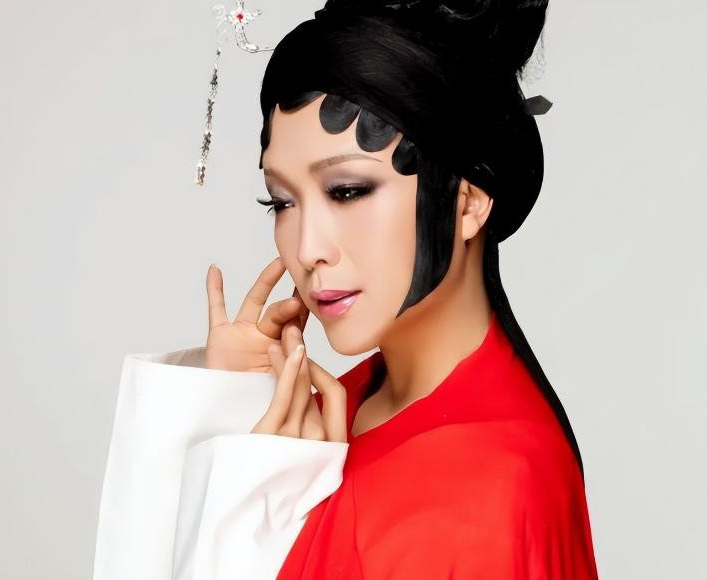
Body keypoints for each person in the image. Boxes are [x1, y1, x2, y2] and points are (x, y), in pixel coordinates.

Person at [94, 1, 599, 578]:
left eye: (348, 191)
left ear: (467, 201)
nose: (308, 247)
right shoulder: (345, 404)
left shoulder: (477, 491)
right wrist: (230, 406)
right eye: (281, 202)